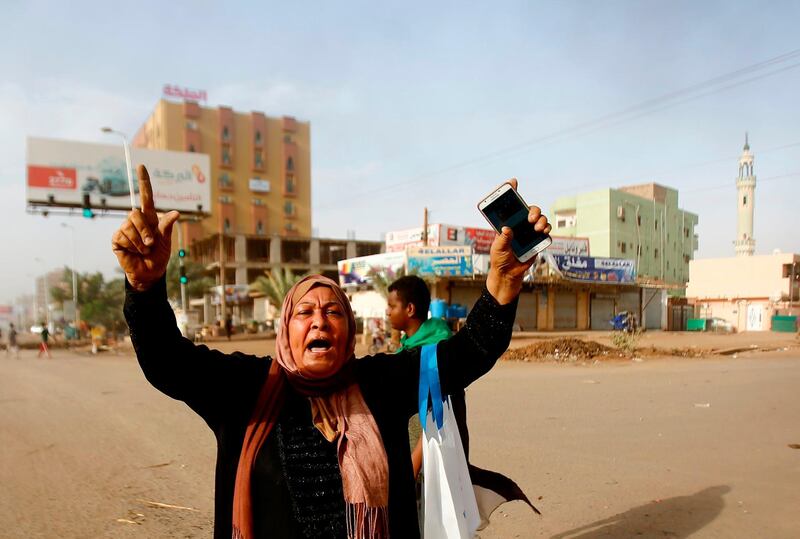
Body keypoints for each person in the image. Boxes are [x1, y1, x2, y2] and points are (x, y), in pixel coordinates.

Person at [113, 165, 550, 539]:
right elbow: (167, 363)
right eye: (304, 312)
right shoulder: (246, 389)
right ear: (286, 328)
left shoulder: (380, 383)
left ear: (349, 330)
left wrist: (503, 285)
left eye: (333, 312)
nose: (319, 320)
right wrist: (146, 288)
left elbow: (471, 351)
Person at [387, 275, 538, 528]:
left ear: (409, 309)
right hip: (415, 456)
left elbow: (439, 415)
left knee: (437, 518)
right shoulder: (407, 348)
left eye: (391, 306)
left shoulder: (435, 351)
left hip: (431, 455)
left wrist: (412, 464)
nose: (387, 312)